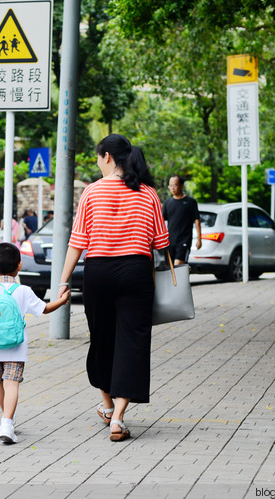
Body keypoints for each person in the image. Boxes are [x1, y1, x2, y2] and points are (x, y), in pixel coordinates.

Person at [58, 134, 169, 442]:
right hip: (136, 272)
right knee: (131, 344)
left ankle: (107, 404)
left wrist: (63, 281)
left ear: (107, 156)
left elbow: (77, 242)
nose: (97, 161)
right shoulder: (148, 194)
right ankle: (117, 417)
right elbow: (161, 243)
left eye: (97, 156)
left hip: (99, 273)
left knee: (102, 340)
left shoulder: (92, 192)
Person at [0, 243, 70, 444]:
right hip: (15, 348)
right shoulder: (23, 290)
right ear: (20, 266)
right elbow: (45, 309)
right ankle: (7, 423)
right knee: (12, 384)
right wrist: (62, 300)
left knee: (0, 385)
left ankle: (7, 418)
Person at [162, 175, 202, 265]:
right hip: (170, 241)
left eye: (175, 185)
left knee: (178, 264)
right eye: (170, 186)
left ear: (181, 185)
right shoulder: (168, 203)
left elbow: (197, 221)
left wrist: (199, 239)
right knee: (170, 268)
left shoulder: (190, 202)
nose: (172, 188)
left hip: (184, 240)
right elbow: (160, 220)